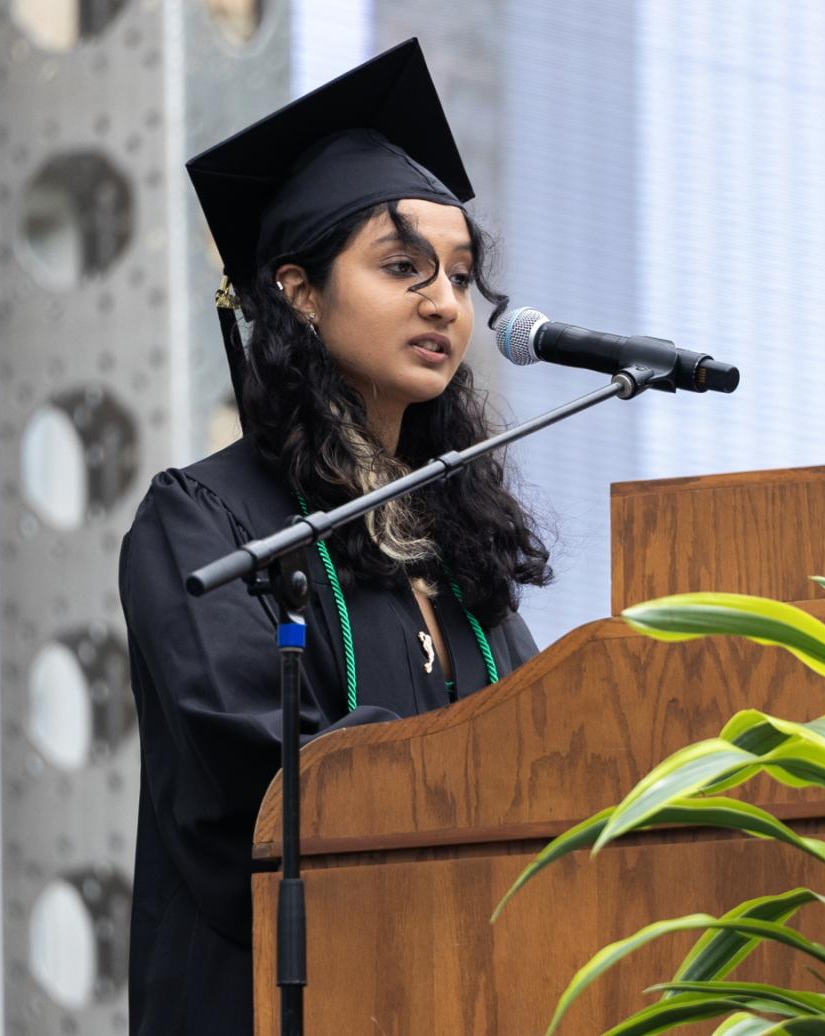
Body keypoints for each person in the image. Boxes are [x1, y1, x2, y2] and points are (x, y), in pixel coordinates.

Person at [118, 40, 551, 1035]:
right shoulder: (203, 523)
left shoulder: (459, 546)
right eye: (402, 267)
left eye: (458, 275)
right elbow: (258, 777)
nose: (444, 301)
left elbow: (538, 756)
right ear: (300, 292)